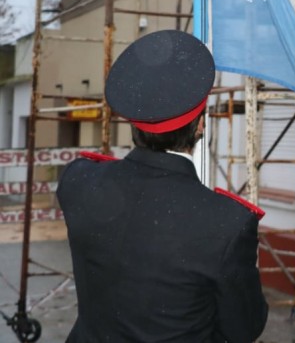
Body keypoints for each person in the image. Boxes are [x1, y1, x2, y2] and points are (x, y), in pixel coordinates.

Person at [57, 29, 268, 342]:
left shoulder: (78, 182)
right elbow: (243, 329)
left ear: (133, 119)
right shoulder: (227, 223)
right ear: (200, 125)